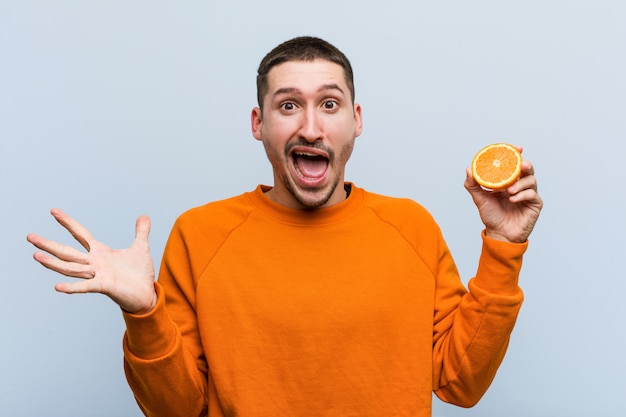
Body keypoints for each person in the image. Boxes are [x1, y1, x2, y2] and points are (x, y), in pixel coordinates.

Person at [27, 36, 543, 417]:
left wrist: (503, 245)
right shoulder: (200, 234)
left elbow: (461, 383)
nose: (311, 127)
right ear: (259, 124)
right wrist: (144, 313)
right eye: (289, 104)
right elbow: (177, 409)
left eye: (330, 104)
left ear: (356, 121)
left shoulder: (409, 226)